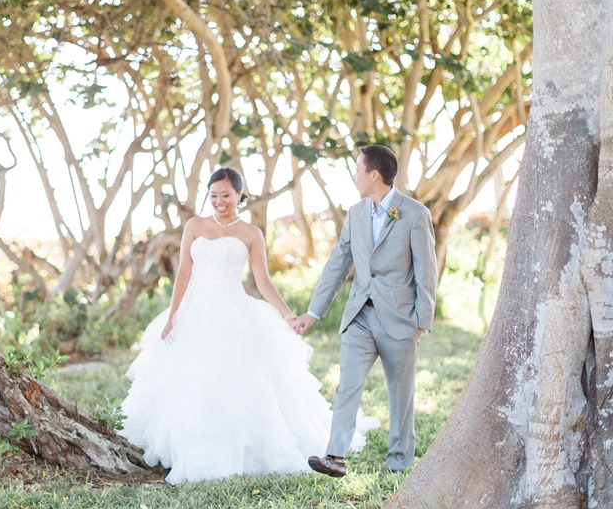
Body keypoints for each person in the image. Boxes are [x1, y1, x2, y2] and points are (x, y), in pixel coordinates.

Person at [121, 167, 378, 485]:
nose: (219, 201)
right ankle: (188, 445)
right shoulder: (195, 226)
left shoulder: (250, 233)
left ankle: (238, 447)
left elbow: (263, 280)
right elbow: (183, 272)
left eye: (225, 195)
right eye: (213, 196)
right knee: (189, 379)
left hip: (234, 309)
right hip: (194, 311)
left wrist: (287, 315)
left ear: (240, 194)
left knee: (241, 379)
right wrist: (173, 315)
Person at [293, 144, 437, 476]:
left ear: (373, 175)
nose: (355, 175)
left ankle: (399, 463)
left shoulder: (414, 214)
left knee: (401, 395)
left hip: (401, 319)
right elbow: (337, 264)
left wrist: (421, 320)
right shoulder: (356, 213)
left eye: (358, 169)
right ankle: (335, 456)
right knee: (347, 384)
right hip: (359, 315)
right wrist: (314, 313)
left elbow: (427, 271)